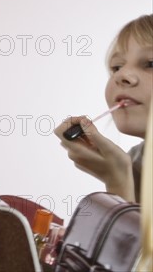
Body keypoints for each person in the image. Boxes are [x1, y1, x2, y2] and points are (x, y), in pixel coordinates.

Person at [54, 14, 152, 202]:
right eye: (116, 67)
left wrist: (117, 180)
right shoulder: (137, 161)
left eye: (150, 64)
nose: (122, 75)